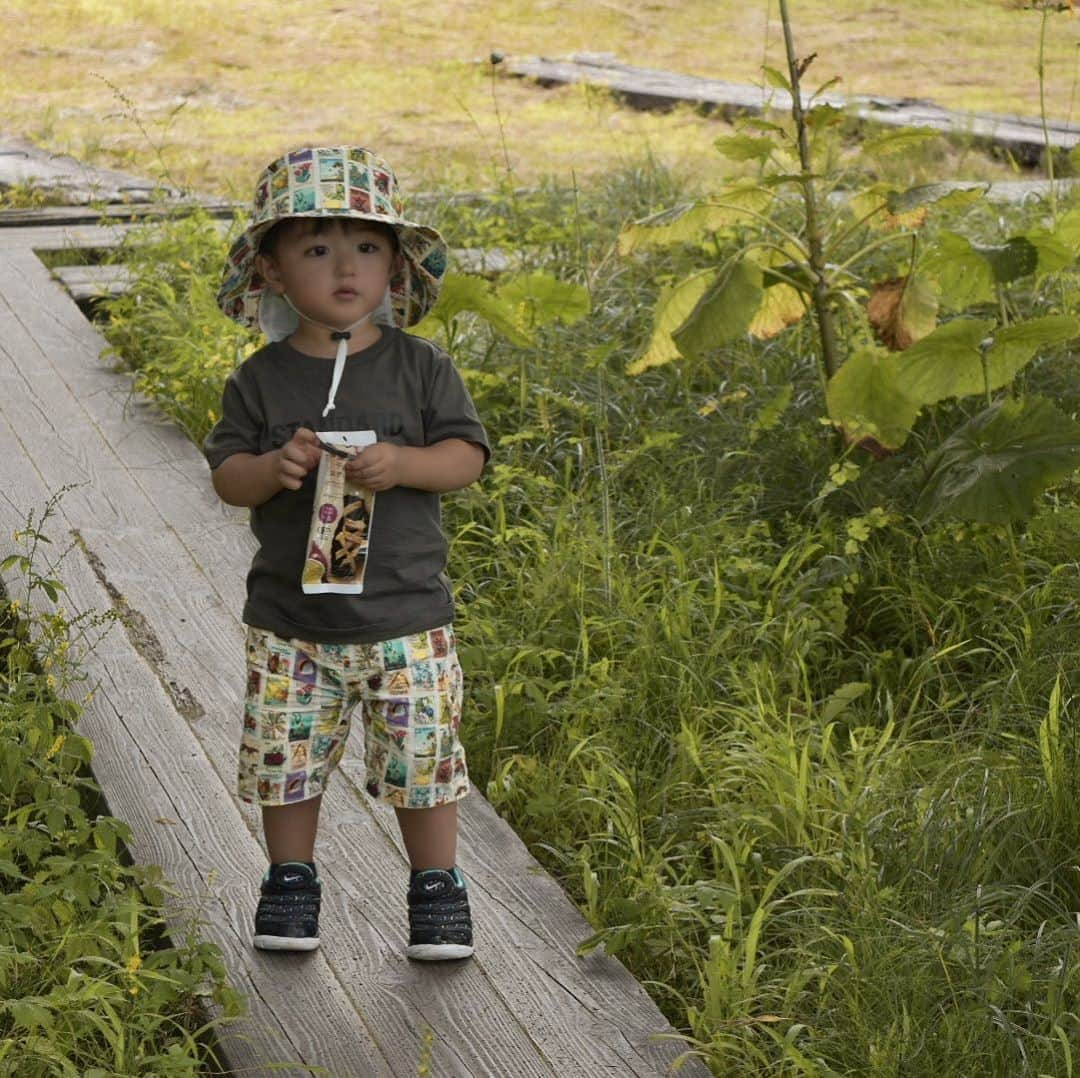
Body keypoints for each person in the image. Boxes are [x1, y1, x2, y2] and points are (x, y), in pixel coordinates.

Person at [204, 146, 490, 960]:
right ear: (272, 269)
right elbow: (227, 476)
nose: (345, 269)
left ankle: (437, 886)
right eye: (317, 248)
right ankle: (291, 878)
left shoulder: (421, 368)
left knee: (423, 756)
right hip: (293, 623)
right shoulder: (260, 381)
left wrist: (404, 464)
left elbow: (466, 458)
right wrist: (273, 468)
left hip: (406, 616)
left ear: (394, 266)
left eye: (366, 248)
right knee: (285, 758)